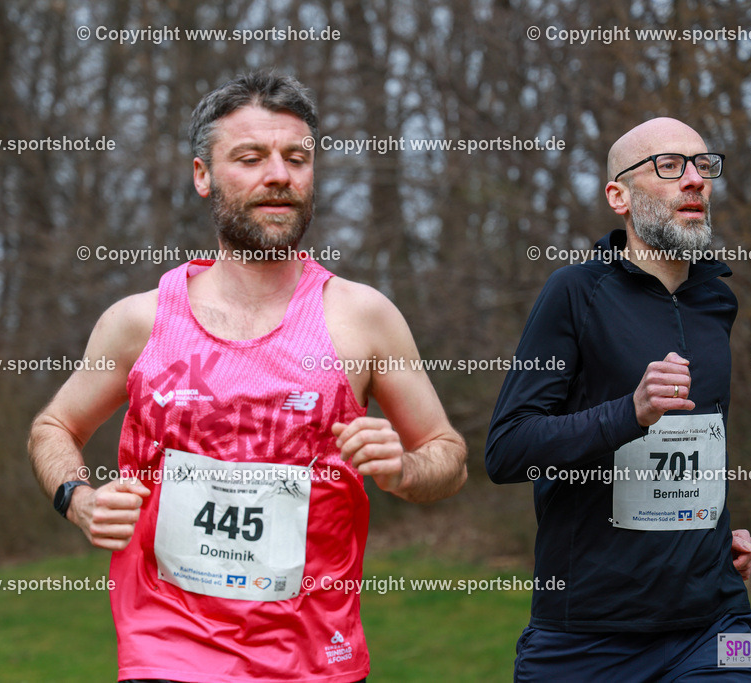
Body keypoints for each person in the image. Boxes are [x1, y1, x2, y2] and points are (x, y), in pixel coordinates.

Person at [28, 71, 467, 683]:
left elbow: (448, 456)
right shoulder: (139, 321)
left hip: (316, 659)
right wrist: (80, 499)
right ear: (203, 175)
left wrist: (403, 470)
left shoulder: (362, 318)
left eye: (297, 158)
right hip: (167, 649)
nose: (279, 175)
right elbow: (55, 425)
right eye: (250, 157)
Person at [485, 117, 751, 681]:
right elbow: (507, 449)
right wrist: (628, 412)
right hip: (589, 635)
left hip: (715, 621)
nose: (694, 180)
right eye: (669, 166)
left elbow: (695, 443)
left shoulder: (717, 300)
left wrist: (714, 531)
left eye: (702, 165)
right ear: (619, 196)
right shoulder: (574, 292)